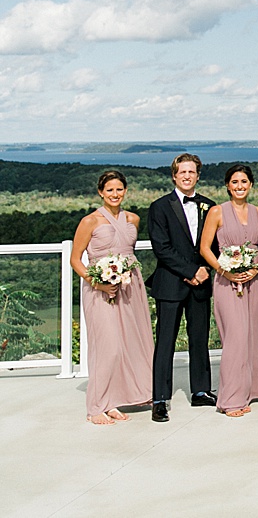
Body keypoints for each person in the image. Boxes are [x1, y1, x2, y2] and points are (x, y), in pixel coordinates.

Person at [70, 171, 154, 425]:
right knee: (108, 347)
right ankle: (97, 406)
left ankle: (116, 400)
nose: (115, 194)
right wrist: (100, 283)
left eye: (119, 189)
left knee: (131, 343)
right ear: (100, 192)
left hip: (130, 287)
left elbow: (128, 252)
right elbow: (75, 259)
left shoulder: (133, 219)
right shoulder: (90, 221)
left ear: (125, 191)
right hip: (100, 290)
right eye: (109, 190)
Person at [145, 153, 216, 423]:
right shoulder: (159, 207)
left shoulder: (209, 206)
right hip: (171, 284)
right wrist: (190, 271)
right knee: (165, 343)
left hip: (201, 283)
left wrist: (204, 270)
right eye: (182, 172)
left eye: (192, 172)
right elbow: (161, 248)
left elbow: (215, 246)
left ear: (198, 175)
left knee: (200, 340)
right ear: (174, 175)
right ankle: (160, 399)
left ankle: (200, 391)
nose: (187, 176)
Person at [198, 164, 258, 417]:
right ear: (227, 185)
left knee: (256, 335)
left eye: (244, 182)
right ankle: (230, 398)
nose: (239, 186)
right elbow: (205, 248)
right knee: (235, 338)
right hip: (226, 282)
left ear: (251, 185)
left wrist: (257, 268)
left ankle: (254, 388)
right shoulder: (217, 212)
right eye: (234, 182)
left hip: (254, 282)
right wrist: (224, 270)